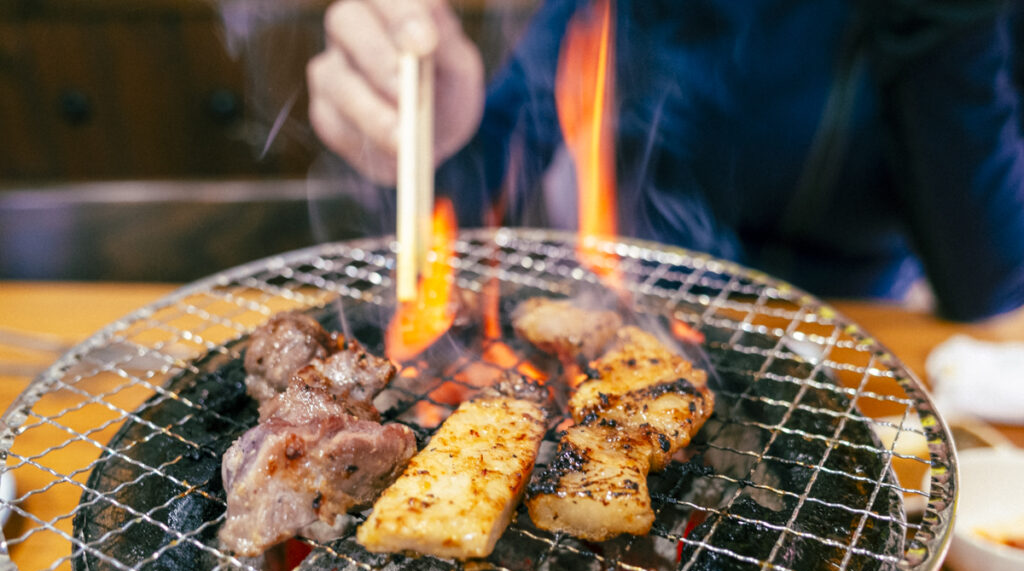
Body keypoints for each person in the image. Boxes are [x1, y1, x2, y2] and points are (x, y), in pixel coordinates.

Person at [307, 0, 1024, 324]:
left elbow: (989, 281)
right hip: (637, 309)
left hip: (850, 326)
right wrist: (431, 134)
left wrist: (943, 28)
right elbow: (488, 166)